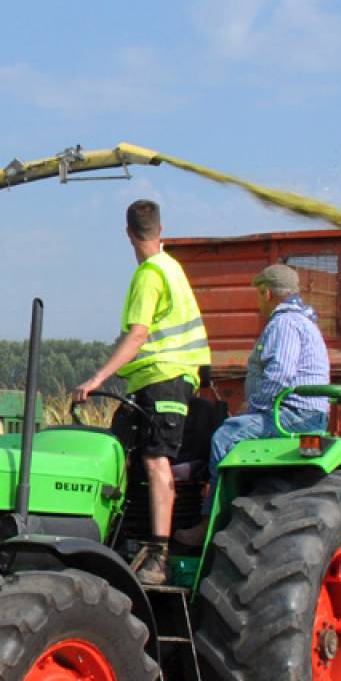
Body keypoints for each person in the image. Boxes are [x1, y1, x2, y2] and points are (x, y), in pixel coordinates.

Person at [72, 199, 210, 585]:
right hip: (164, 378)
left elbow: (138, 334)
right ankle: (124, 542)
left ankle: (158, 557)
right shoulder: (174, 269)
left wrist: (97, 379)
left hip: (162, 376)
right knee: (127, 454)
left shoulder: (150, 274)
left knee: (155, 460)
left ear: (128, 233)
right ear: (161, 230)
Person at [174, 264, 329, 545]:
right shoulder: (306, 321)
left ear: (266, 293)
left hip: (292, 414)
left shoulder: (284, 323)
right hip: (303, 413)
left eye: (259, 294)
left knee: (226, 435)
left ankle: (211, 522)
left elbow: (280, 373)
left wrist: (252, 406)